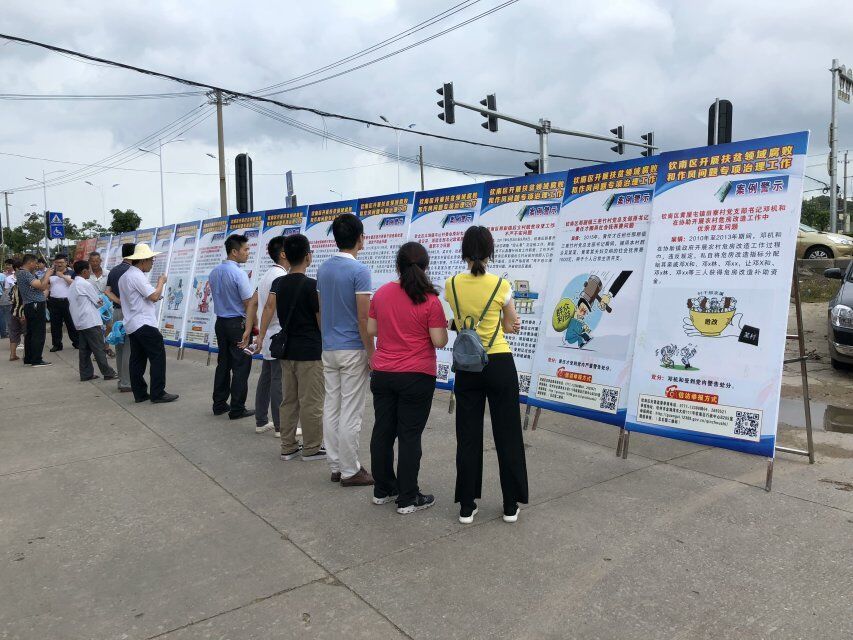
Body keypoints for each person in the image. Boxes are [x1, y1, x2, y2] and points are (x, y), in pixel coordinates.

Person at [446, 225, 529, 525]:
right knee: (507, 434)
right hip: (499, 362)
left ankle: (467, 506)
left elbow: (458, 322)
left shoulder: (451, 285)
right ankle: (510, 505)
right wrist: (508, 324)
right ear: (490, 251)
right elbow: (509, 325)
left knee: (467, 435)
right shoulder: (501, 285)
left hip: (467, 366)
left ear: (464, 252)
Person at [368, 242, 448, 514]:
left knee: (383, 431)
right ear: (425, 267)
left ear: (397, 266)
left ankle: (383, 490)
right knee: (410, 436)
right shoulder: (430, 300)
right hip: (416, 375)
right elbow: (438, 341)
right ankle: (408, 497)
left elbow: (372, 328)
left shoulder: (381, 294)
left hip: (383, 373)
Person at [257, 234, 326, 462]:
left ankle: (288, 446)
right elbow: (320, 321)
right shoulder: (312, 286)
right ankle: (312, 447)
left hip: (286, 351)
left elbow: (268, 308)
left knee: (289, 401)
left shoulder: (278, 283)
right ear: (308, 257)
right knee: (311, 401)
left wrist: (261, 336)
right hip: (310, 352)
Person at [317, 213, 374, 486]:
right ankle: (351, 470)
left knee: (332, 406)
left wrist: (327, 337)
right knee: (351, 411)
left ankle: (336, 465)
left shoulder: (323, 269)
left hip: (329, 347)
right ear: (360, 238)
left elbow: (320, 310)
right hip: (352, 348)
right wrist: (372, 352)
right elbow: (363, 318)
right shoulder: (360, 271)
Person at [118, 244, 177, 404]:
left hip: (133, 323)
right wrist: (161, 282)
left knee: (137, 359)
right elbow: (154, 296)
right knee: (157, 357)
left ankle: (140, 393)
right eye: (151, 260)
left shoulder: (125, 276)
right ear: (143, 260)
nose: (152, 263)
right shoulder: (136, 276)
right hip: (143, 322)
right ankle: (158, 392)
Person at [208, 234, 257, 420]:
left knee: (223, 363)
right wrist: (254, 325)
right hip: (237, 324)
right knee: (241, 366)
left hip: (221, 323)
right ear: (234, 252)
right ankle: (237, 408)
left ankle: (219, 404)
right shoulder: (238, 273)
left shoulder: (215, 272)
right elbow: (248, 303)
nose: (248, 253)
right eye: (245, 249)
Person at [253, 237, 288, 436]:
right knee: (278, 380)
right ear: (283, 254)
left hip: (268, 335)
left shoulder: (267, 274)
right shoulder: (280, 276)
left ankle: (261, 420)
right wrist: (261, 334)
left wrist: (259, 333)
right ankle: (280, 426)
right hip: (275, 334)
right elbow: (269, 306)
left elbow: (254, 302)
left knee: (266, 378)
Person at [68, 259, 116, 382]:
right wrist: (105, 300)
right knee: (99, 348)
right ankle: (108, 372)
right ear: (84, 271)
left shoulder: (73, 285)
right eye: (89, 269)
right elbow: (98, 302)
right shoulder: (85, 284)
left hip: (80, 321)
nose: (90, 272)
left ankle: (86, 374)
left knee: (84, 350)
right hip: (90, 321)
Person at [105, 243, 136, 392]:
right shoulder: (132, 271)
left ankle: (121, 380)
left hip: (117, 312)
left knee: (119, 347)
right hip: (128, 313)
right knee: (129, 348)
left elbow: (107, 291)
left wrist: (118, 301)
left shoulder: (114, 270)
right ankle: (127, 382)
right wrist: (124, 302)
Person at [16, 253, 53, 367]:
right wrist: (47, 274)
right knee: (38, 333)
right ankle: (36, 359)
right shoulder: (25, 273)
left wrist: (45, 277)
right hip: (35, 305)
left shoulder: (22, 273)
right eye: (35, 263)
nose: (36, 266)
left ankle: (29, 358)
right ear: (30, 262)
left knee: (31, 333)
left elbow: (39, 284)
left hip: (31, 305)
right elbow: (41, 286)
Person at [47, 254, 80, 352]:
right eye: (57, 262)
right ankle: (57, 344)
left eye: (61, 262)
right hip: (54, 301)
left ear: (66, 263)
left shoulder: (72, 272)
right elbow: (47, 287)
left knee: (71, 323)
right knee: (55, 325)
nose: (59, 264)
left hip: (68, 302)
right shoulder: (51, 273)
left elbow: (75, 284)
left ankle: (77, 342)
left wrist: (62, 276)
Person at [87, 251, 114, 357]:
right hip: (92, 305)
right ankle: (98, 352)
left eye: (97, 261)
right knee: (96, 329)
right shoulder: (86, 275)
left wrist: (108, 298)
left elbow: (111, 287)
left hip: (107, 305)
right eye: (92, 261)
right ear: (89, 261)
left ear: (100, 261)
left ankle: (106, 347)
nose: (95, 263)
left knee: (109, 326)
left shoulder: (108, 273)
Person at [0, 258, 12, 339]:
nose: (7, 266)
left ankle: (4, 332)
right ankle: (4, 332)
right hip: (3, 297)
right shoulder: (3, 275)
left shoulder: (4, 275)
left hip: (5, 297)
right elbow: (5, 288)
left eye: (9, 265)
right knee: (5, 315)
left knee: (2, 315)